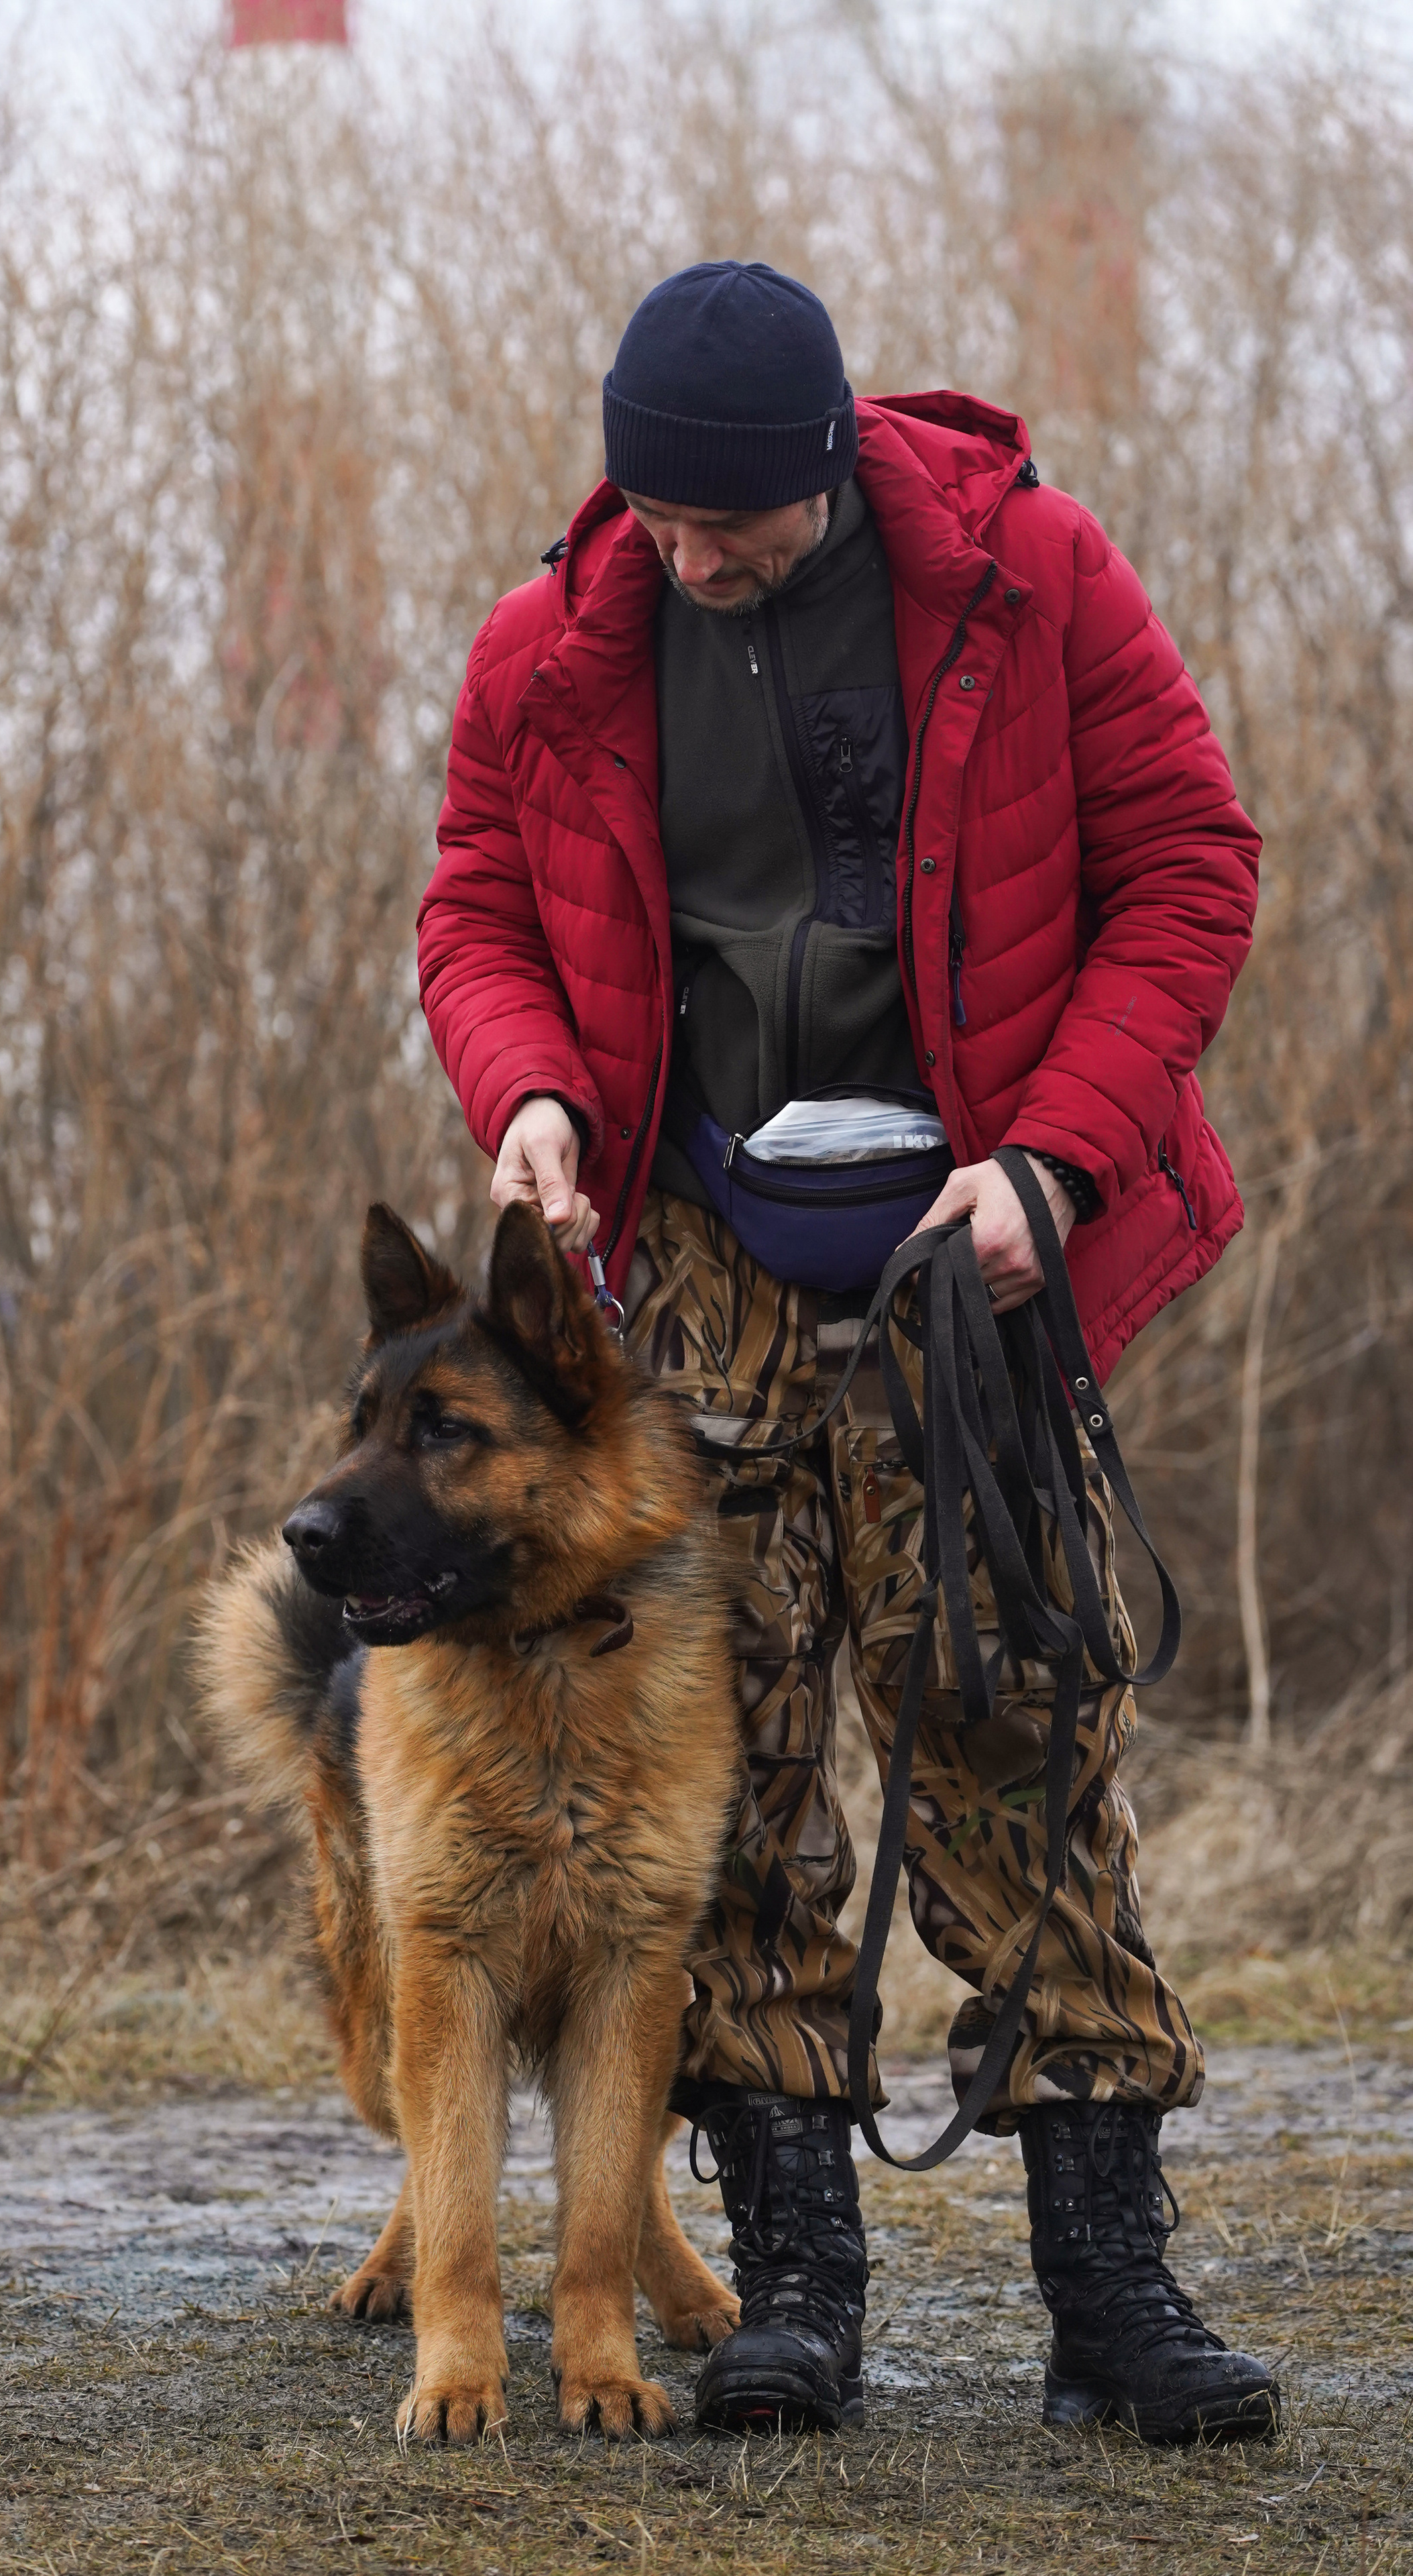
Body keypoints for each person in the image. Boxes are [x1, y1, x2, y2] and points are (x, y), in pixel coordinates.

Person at [417, 261, 1276, 2445]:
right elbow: (476, 913)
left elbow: (1192, 863)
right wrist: (523, 1092)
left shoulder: (1030, 578)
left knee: (1021, 1729)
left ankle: (1111, 2299)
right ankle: (796, 2288)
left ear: (826, 477)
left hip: (972, 1257)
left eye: (735, 533)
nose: (690, 565)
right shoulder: (557, 646)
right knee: (729, 1774)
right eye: (659, 525)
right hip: (697, 1254)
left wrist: (1060, 1167)